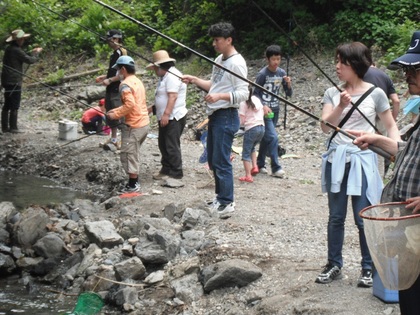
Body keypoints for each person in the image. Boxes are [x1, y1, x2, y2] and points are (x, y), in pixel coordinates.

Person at [316, 42, 400, 287]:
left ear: (355, 65)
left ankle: (368, 267)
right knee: (336, 216)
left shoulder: (376, 93)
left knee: (363, 217)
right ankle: (334, 264)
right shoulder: (333, 93)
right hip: (337, 159)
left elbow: (391, 125)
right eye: (337, 61)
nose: (337, 67)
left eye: (342, 62)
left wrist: (397, 149)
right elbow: (324, 125)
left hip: (363, 161)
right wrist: (341, 106)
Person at [351, 30, 420, 315]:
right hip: (411, 232)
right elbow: (409, 152)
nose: (408, 76)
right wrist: (378, 140)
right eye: (407, 70)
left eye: (415, 69)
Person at [182, 22, 248, 217]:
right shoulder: (220, 59)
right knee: (213, 158)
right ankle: (220, 198)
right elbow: (213, 85)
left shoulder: (237, 63)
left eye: (217, 40)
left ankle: (227, 202)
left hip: (226, 115)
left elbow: (244, 93)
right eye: (213, 39)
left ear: (229, 40)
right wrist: (194, 79)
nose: (214, 43)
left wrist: (220, 97)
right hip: (215, 116)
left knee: (221, 160)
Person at [106, 56, 149, 193]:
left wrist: (115, 114)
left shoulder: (125, 84)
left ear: (123, 69)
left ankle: (133, 185)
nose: (117, 73)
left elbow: (130, 104)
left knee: (128, 154)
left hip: (133, 125)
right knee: (132, 152)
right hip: (144, 123)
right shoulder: (137, 81)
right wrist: (117, 110)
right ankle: (132, 183)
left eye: (118, 70)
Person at [146, 50, 188, 180]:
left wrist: (166, 114)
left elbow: (173, 96)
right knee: (163, 143)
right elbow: (163, 97)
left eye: (155, 68)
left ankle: (176, 172)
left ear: (159, 67)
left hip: (173, 116)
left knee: (171, 145)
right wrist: (153, 108)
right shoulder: (164, 77)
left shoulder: (172, 76)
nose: (154, 71)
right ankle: (166, 169)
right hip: (166, 115)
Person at [253, 45, 292, 178]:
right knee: (273, 137)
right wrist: (262, 106)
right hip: (264, 111)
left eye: (278, 59)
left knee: (266, 138)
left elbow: (288, 94)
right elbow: (255, 93)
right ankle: (276, 167)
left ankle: (259, 163)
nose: (276, 62)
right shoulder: (262, 74)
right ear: (267, 59)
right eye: (273, 59)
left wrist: (288, 84)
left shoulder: (281, 73)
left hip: (275, 109)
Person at [1, 29, 42, 133]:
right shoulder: (16, 50)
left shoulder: (9, 49)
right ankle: (13, 128)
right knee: (14, 104)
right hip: (14, 81)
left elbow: (22, 56)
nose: (23, 40)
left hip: (6, 80)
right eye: (22, 39)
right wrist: (36, 53)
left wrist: (31, 53)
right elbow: (30, 60)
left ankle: (5, 127)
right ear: (19, 40)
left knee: (7, 104)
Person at [363, 64, 401, 175]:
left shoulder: (360, 74)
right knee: (381, 148)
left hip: (364, 117)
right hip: (382, 118)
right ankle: (379, 175)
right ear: (375, 65)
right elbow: (396, 101)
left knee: (363, 146)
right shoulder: (385, 76)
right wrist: (391, 120)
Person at [95, 29, 127, 149]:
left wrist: (110, 80)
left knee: (120, 114)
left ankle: (125, 142)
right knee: (110, 114)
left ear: (116, 39)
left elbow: (124, 74)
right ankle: (114, 139)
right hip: (110, 88)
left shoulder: (121, 53)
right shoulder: (114, 54)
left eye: (110, 40)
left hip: (117, 89)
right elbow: (115, 72)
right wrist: (104, 77)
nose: (108, 43)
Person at [238, 86, 264, 183]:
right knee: (252, 148)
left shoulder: (243, 103)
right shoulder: (256, 99)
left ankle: (248, 175)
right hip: (261, 127)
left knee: (245, 152)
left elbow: (242, 119)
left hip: (251, 128)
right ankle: (255, 166)